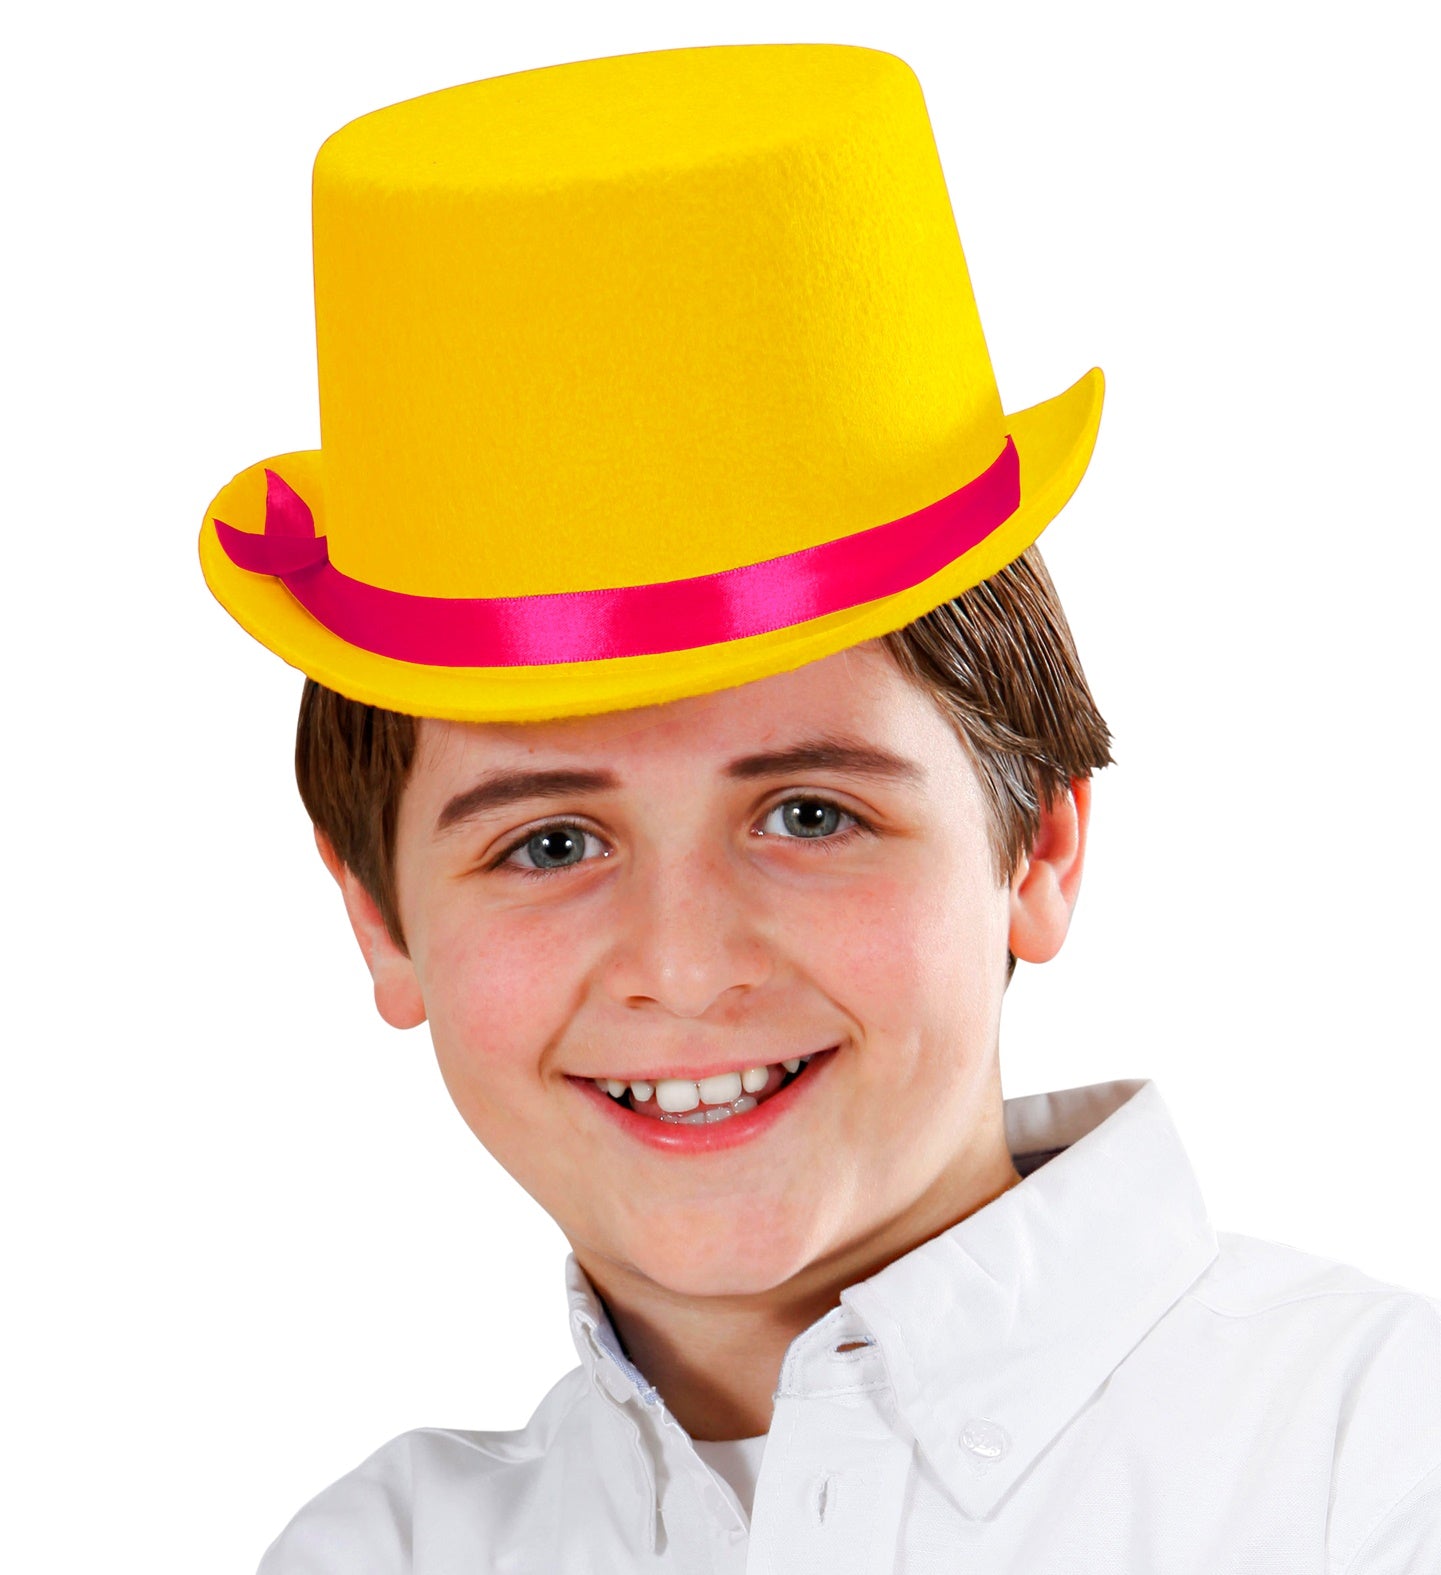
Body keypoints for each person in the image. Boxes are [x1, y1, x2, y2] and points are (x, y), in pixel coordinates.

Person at [199, 42, 1441, 1572]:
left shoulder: (1377, 1466)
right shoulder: (386, 1553)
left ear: (1039, 845)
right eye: (550, 842)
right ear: (381, 923)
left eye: (807, 816)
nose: (683, 965)